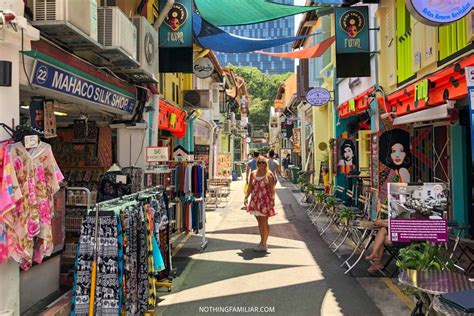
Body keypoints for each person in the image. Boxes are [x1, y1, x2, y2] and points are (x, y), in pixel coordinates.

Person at [244, 156, 276, 252]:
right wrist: (246, 196)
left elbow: (272, 188)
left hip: (265, 200)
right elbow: (250, 186)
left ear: (266, 164)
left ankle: (264, 243)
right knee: (259, 222)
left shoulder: (269, 174)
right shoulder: (253, 173)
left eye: (263, 163)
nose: (261, 164)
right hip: (255, 200)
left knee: (264, 221)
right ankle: (262, 241)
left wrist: (273, 200)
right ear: (257, 163)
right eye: (259, 163)